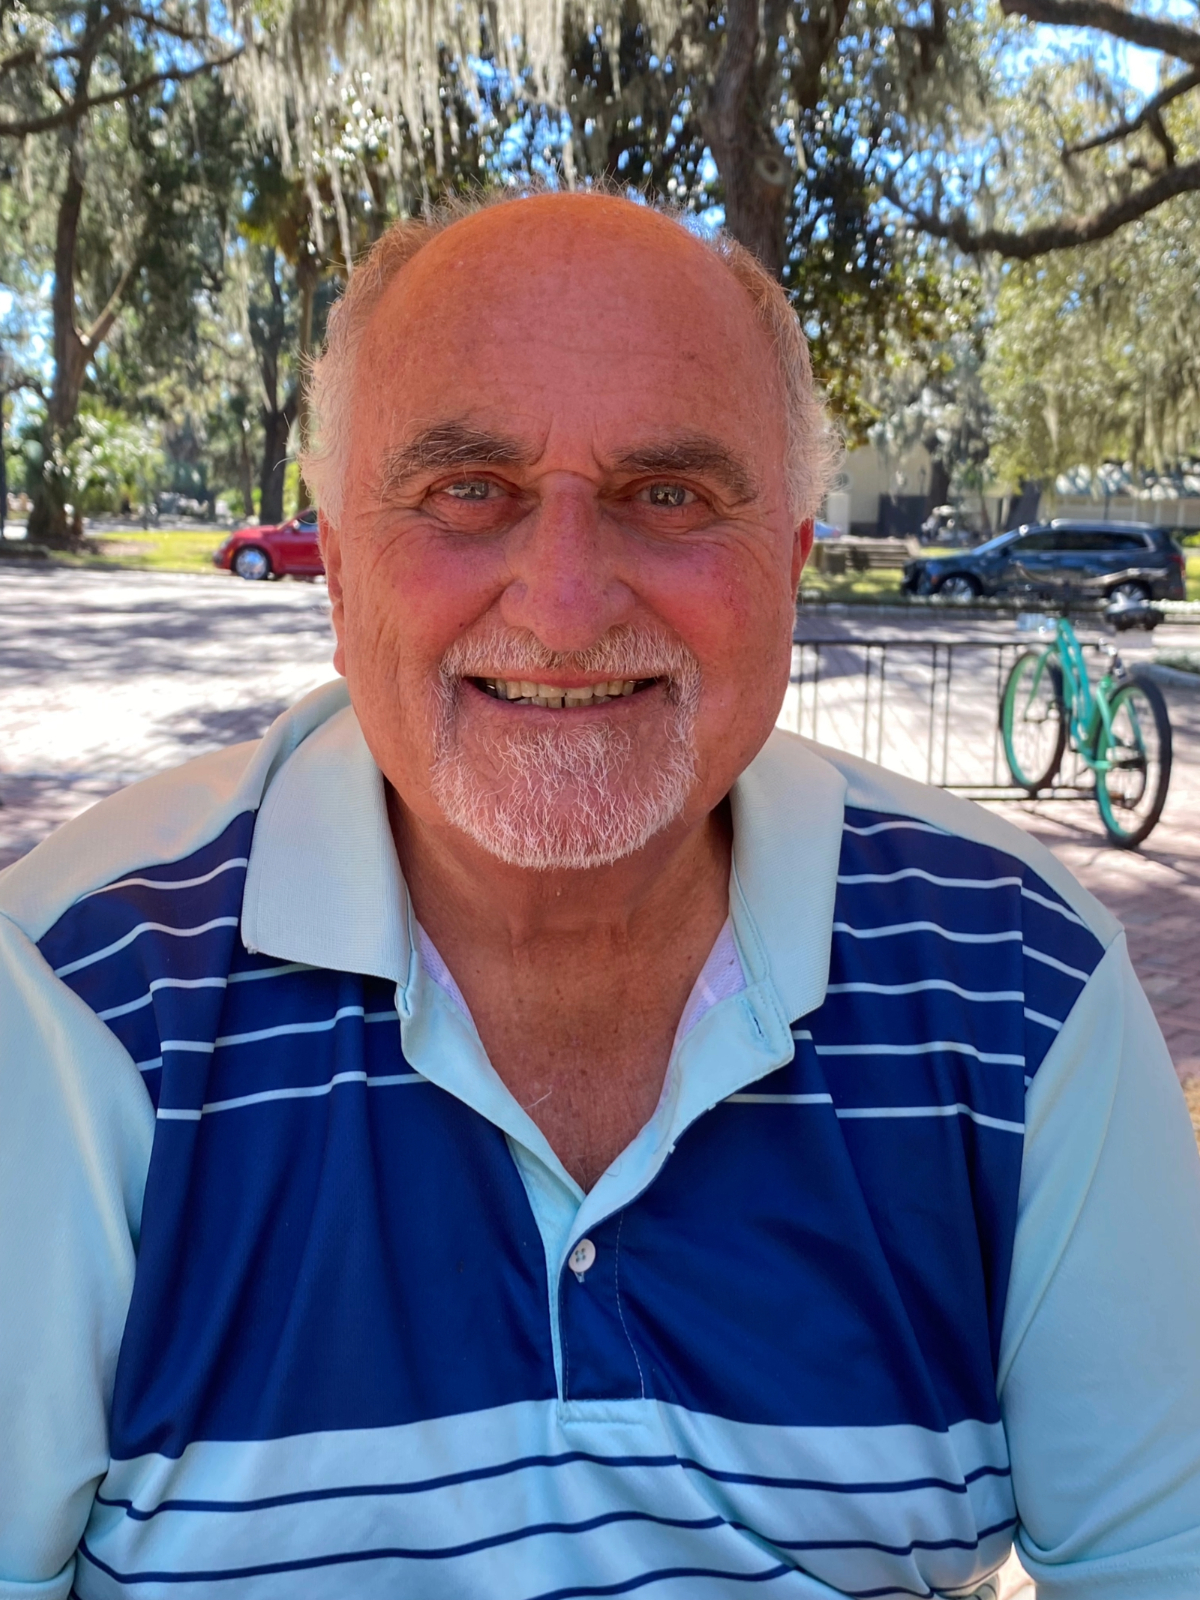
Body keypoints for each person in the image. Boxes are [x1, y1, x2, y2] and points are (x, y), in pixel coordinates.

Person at [2, 192, 1199, 1600]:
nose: (565, 605)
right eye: (468, 491)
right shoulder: (74, 999)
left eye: (669, 495)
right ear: (338, 567)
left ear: (792, 569)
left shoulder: (1016, 983)